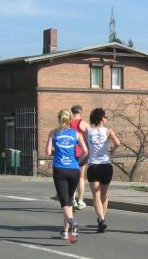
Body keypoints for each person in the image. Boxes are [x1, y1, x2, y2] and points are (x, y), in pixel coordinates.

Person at [46, 109, 88, 243]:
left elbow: (48, 152)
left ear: (59, 119)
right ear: (70, 120)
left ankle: (72, 222)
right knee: (69, 200)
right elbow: (85, 151)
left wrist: (58, 152)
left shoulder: (53, 133)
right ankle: (65, 231)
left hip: (60, 169)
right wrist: (77, 161)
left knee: (64, 201)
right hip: (74, 169)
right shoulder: (76, 134)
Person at [86, 107, 121, 233]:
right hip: (106, 165)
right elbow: (118, 143)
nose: (107, 119)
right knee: (104, 195)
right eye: (106, 117)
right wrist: (112, 150)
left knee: (96, 196)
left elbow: (85, 146)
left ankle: (101, 218)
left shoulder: (88, 131)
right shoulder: (108, 131)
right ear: (101, 118)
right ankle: (102, 219)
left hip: (93, 166)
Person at [69, 104, 89, 210]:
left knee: (71, 177)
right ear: (81, 112)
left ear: (72, 112)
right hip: (81, 152)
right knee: (81, 177)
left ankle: (73, 200)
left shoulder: (68, 123)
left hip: (70, 153)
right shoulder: (84, 123)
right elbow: (90, 138)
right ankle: (80, 201)